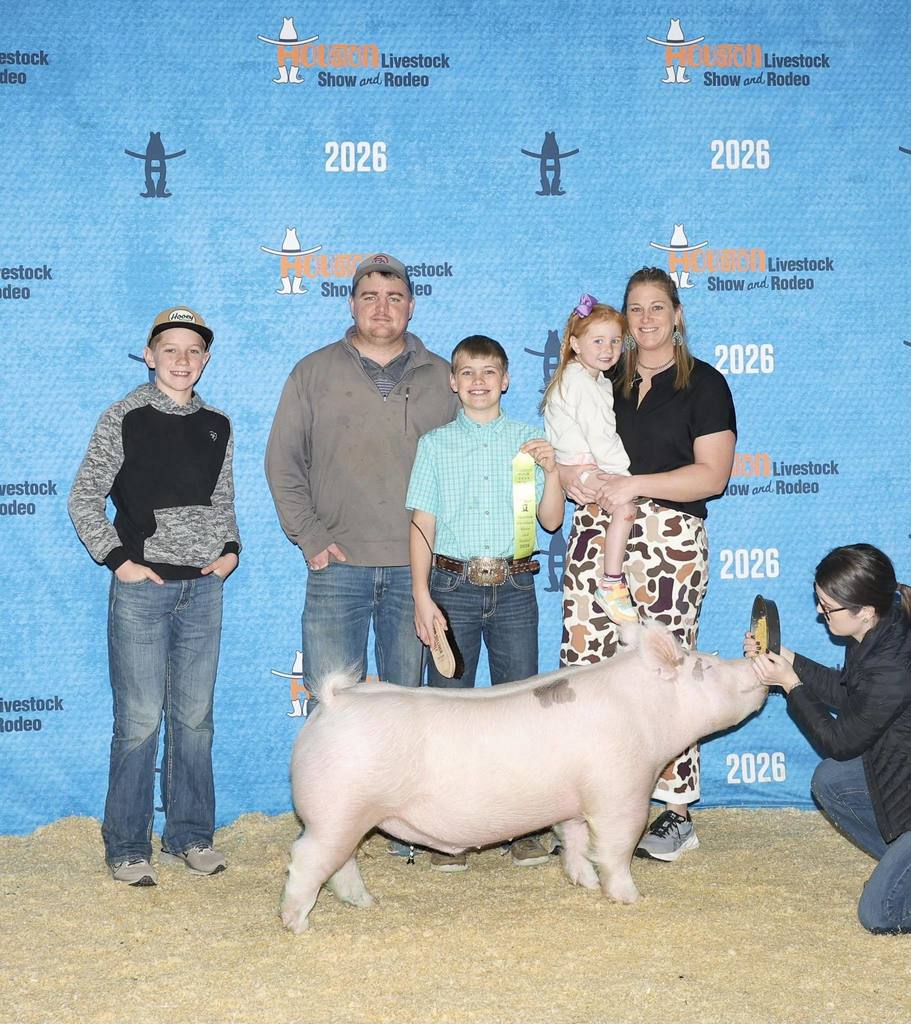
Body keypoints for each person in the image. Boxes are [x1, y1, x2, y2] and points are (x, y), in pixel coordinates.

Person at [558, 266, 736, 861]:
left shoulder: (705, 384)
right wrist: (572, 477)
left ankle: (675, 808)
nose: (645, 319)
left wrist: (633, 482)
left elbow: (712, 475)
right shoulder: (601, 376)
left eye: (657, 307)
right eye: (635, 309)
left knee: (665, 667)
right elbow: (567, 446)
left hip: (669, 539)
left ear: (678, 314)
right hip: (595, 532)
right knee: (586, 665)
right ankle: (582, 806)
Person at [68, 306, 240, 886]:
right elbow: (84, 498)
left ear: (206, 359)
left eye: (193, 351)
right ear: (150, 355)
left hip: (203, 589)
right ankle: (126, 845)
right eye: (170, 349)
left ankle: (190, 835)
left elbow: (223, 500)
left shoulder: (218, 422)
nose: (182, 360)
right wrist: (119, 562)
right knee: (139, 720)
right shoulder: (124, 416)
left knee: (194, 719)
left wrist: (230, 551)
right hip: (144, 591)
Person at [265, 253, 458, 697]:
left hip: (417, 572)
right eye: (370, 296)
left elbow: (466, 465)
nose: (382, 307)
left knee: (407, 711)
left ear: (412, 306)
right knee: (332, 711)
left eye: (395, 297)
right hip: (337, 565)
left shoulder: (446, 377)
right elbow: (283, 461)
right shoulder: (312, 372)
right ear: (350, 304)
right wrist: (310, 537)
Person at [407, 335, 564, 870]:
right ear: (453, 382)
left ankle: (523, 827)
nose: (478, 382)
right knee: (448, 712)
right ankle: (445, 831)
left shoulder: (528, 440)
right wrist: (421, 594)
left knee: (521, 710)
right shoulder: (434, 444)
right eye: (467, 373)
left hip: (516, 587)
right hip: (451, 587)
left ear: (506, 380)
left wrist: (554, 472)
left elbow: (550, 520)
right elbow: (422, 524)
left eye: (489, 372)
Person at [747, 544, 911, 934]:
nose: (820, 612)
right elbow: (848, 693)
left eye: (827, 606)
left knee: (880, 915)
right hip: (900, 774)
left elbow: (839, 742)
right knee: (832, 780)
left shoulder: (893, 664)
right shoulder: (880, 632)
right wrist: (784, 657)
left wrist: (791, 685)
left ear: (864, 611)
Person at [541, 293, 637, 624]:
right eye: (597, 340)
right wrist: (624, 477)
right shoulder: (580, 381)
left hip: (584, 466)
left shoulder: (595, 379)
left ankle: (611, 581)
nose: (608, 349)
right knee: (625, 506)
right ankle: (611, 584)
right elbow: (601, 436)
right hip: (584, 467)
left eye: (615, 341)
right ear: (575, 344)